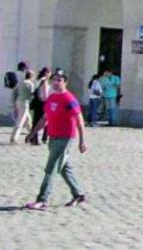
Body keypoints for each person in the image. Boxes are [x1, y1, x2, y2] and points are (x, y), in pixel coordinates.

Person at [23, 72, 88, 210]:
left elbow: (79, 120)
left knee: (51, 168)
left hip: (65, 138)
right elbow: (44, 119)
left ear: (65, 82)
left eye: (59, 80)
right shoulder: (52, 98)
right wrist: (33, 133)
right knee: (64, 167)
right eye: (54, 80)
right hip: (53, 137)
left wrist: (82, 141)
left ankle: (42, 199)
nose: (56, 82)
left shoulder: (69, 99)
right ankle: (78, 194)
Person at [11, 69, 36, 144]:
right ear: (31, 76)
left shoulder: (20, 82)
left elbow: (14, 92)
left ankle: (32, 136)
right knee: (20, 121)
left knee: (28, 121)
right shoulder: (30, 84)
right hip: (25, 103)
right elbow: (32, 94)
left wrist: (14, 103)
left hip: (18, 101)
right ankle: (14, 138)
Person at [29, 67, 51, 144]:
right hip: (43, 102)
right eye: (49, 72)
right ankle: (41, 137)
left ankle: (33, 138)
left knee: (36, 120)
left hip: (37, 102)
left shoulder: (38, 80)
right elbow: (45, 95)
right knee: (44, 120)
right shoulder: (45, 81)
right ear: (46, 73)